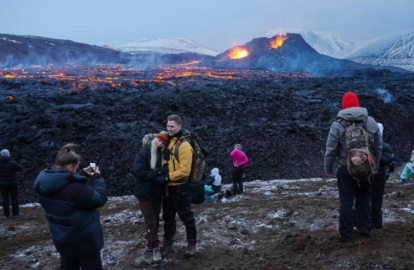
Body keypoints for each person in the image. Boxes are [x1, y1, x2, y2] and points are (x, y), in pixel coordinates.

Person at [34, 144, 107, 270]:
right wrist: (97, 178)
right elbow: (99, 199)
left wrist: (81, 174)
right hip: (84, 242)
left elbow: (63, 185)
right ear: (69, 166)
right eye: (76, 167)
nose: (77, 168)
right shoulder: (75, 191)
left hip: (63, 241)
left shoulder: (45, 185)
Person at [324, 92, 382, 243]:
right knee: (364, 198)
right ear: (357, 104)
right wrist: (374, 165)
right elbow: (378, 146)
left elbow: (331, 149)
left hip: (345, 169)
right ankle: (364, 228)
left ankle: (346, 234)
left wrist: (328, 167)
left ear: (343, 106)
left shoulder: (337, 124)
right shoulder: (370, 121)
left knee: (346, 202)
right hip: (367, 167)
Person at [162, 114, 197, 257]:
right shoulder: (170, 142)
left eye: (172, 126)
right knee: (168, 217)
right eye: (167, 126)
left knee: (186, 216)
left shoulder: (185, 145)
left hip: (180, 188)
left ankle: (191, 244)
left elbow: (185, 171)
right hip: (168, 188)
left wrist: (167, 176)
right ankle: (167, 243)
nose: (169, 129)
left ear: (179, 127)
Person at [132, 132, 169, 264]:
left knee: (155, 218)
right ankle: (153, 245)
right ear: (155, 139)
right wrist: (158, 173)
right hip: (145, 193)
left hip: (156, 193)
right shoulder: (144, 153)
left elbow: (165, 169)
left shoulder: (159, 153)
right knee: (151, 219)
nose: (161, 144)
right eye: (160, 141)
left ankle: (151, 238)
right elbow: (139, 172)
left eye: (164, 143)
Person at [370, 123, 394, 229]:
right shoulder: (385, 146)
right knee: (375, 200)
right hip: (378, 175)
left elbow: (387, 159)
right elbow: (389, 159)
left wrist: (373, 159)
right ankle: (375, 223)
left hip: (376, 176)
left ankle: (374, 223)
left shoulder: (382, 146)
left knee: (373, 200)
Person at [0, 149, 22, 218]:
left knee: (5, 199)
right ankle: (15, 214)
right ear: (8, 154)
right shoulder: (12, 162)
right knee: (14, 198)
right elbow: (20, 169)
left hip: (2, 184)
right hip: (12, 183)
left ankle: (6, 214)